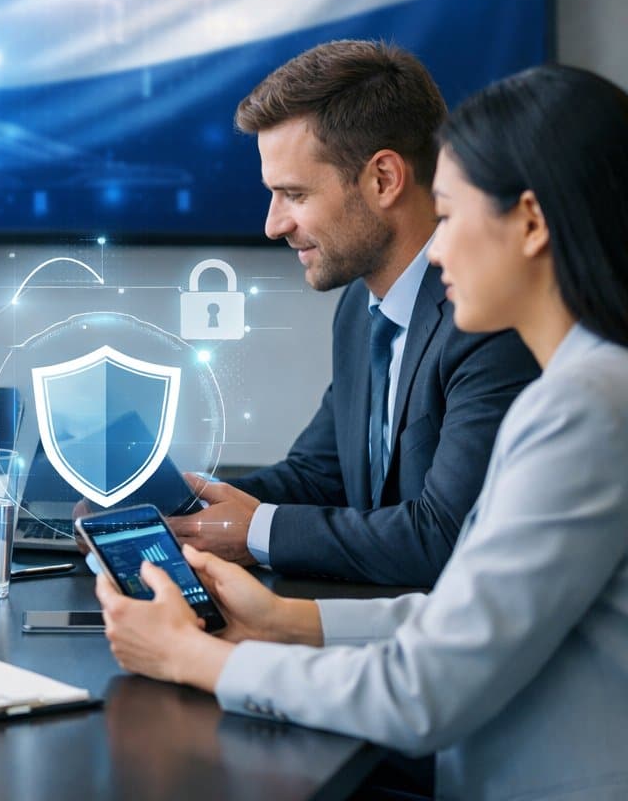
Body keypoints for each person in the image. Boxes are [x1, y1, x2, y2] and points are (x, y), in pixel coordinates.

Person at [96, 64, 628, 799]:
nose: (436, 251)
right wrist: (285, 619)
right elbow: (464, 617)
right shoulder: (591, 389)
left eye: (453, 213)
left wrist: (198, 660)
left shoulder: (585, 405)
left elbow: (424, 689)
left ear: (531, 222)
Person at [169, 40, 538, 586]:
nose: (274, 224)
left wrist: (256, 531)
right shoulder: (359, 309)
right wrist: (181, 508)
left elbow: (445, 538)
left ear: (384, 179)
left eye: (293, 194)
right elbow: (320, 477)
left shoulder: (487, 316)